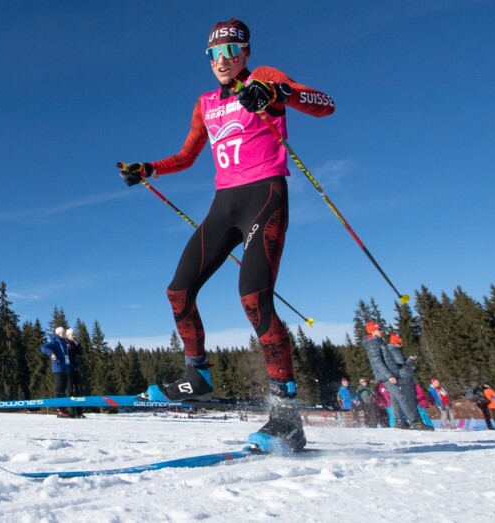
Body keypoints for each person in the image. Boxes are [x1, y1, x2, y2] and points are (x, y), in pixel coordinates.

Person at [118, 17, 335, 453]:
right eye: (214, 53)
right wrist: (149, 169)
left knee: (253, 298)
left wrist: (280, 94)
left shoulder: (263, 78)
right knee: (178, 291)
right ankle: (197, 376)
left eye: (231, 51)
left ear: (245, 52)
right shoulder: (205, 103)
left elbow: (325, 104)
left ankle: (286, 418)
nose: (222, 60)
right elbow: (187, 155)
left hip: (265, 195)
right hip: (224, 205)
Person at [361, 322, 432, 430]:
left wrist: (395, 371)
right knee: (402, 397)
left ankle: (399, 423)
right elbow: (377, 362)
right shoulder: (373, 344)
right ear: (373, 331)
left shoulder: (379, 342)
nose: (382, 330)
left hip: (391, 374)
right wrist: (389, 375)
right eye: (379, 329)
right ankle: (416, 422)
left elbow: (386, 361)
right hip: (388, 376)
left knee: (395, 399)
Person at [385, 334, 432, 430]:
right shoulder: (395, 351)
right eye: (400, 342)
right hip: (404, 378)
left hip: (398, 378)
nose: (401, 343)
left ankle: (399, 422)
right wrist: (410, 360)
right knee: (410, 400)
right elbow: (402, 365)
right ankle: (417, 422)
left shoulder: (388, 350)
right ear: (396, 342)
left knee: (397, 400)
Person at [40, 326, 71, 418]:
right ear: (58, 334)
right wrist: (51, 353)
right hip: (58, 368)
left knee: (63, 389)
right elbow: (43, 347)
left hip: (65, 368)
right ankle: (59, 410)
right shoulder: (55, 341)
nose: (65, 334)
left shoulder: (64, 343)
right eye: (63, 333)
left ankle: (63, 408)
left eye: (65, 333)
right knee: (59, 388)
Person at [66, 328, 85, 419]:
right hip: (68, 369)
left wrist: (78, 344)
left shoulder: (76, 343)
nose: (74, 336)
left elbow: (81, 353)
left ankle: (79, 412)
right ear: (68, 335)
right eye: (72, 334)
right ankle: (71, 411)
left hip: (76, 369)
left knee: (79, 390)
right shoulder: (66, 343)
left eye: (74, 334)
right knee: (70, 390)